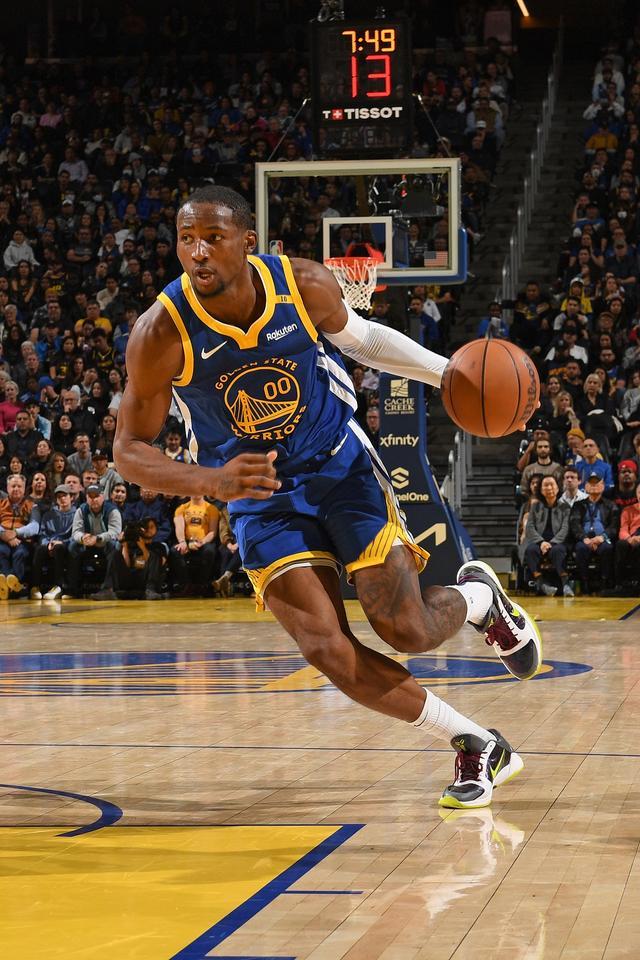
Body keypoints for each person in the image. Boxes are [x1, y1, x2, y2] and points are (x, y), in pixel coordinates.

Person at [114, 185, 542, 808]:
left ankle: (479, 598)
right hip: (259, 499)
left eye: (213, 238)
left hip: (341, 469)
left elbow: (365, 341)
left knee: (407, 630)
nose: (198, 252)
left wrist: (449, 372)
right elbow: (129, 450)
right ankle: (474, 741)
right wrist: (212, 482)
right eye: (186, 240)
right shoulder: (160, 333)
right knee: (325, 648)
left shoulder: (302, 285)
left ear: (247, 242)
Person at [67, 483, 122, 597]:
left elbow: (115, 532)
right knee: (72, 546)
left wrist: (98, 538)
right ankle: (73, 588)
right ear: (86, 498)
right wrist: (82, 538)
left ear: (103, 497)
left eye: (96, 496)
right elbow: (75, 532)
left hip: (104, 542)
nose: (93, 499)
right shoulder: (81, 510)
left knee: (115, 546)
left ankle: (108, 588)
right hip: (87, 542)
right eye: (90, 497)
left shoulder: (112, 510)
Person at [522, 476, 573, 596]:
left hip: (557, 542)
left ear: (557, 488)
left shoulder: (565, 507)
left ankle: (565, 584)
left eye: (552, 485)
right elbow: (530, 527)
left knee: (558, 551)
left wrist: (552, 543)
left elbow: (565, 529)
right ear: (541, 489)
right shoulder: (535, 506)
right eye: (545, 485)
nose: (549, 488)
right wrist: (541, 542)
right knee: (531, 550)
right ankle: (541, 584)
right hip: (539, 542)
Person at [569, 474, 619, 594]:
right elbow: (575, 524)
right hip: (584, 539)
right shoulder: (578, 505)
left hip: (602, 538)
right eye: (591, 484)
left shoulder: (611, 505)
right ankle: (584, 582)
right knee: (580, 548)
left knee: (607, 548)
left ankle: (604, 582)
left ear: (603, 486)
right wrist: (584, 538)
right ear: (585, 486)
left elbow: (614, 526)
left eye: (597, 484)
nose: (594, 486)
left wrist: (602, 537)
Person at [30, 483, 75, 600]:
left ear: (71, 497)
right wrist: (47, 543)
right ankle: (35, 586)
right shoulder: (48, 515)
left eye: (65, 495)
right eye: (59, 497)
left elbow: (76, 534)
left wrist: (63, 542)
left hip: (65, 545)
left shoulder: (77, 514)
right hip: (50, 543)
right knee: (40, 549)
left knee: (59, 548)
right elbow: (42, 534)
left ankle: (58, 586)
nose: (62, 499)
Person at [0, 474, 38, 599]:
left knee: (20, 553)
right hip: (2, 539)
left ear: (24, 488)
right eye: (13, 486)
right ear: (7, 488)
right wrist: (4, 534)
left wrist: (16, 533)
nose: (16, 489)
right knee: (1, 551)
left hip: (22, 540)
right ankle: (13, 587)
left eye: (19, 486)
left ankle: (9, 586)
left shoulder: (32, 505)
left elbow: (35, 526)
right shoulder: (1, 503)